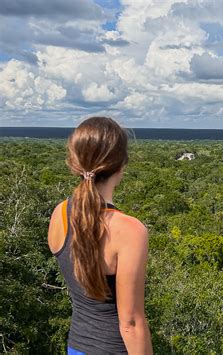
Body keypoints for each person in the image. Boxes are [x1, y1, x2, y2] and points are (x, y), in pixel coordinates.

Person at [47, 116, 153, 354]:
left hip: (76, 346)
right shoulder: (129, 230)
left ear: (75, 161)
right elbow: (131, 323)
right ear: (121, 164)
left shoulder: (60, 214)